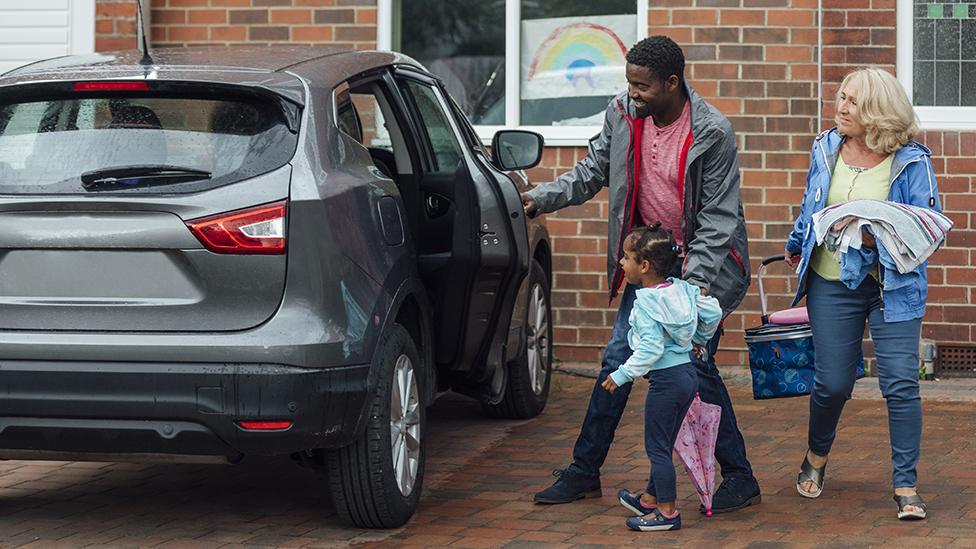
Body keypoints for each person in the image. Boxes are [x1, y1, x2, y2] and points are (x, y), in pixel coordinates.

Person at [524, 35, 760, 513]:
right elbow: (592, 171)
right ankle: (585, 471)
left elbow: (717, 222)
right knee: (618, 361)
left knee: (694, 370)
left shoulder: (712, 131)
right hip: (649, 269)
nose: (632, 93)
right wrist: (539, 198)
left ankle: (739, 476)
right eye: (629, 83)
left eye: (642, 85)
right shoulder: (623, 114)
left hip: (701, 273)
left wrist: (686, 300)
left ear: (672, 83)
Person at [784, 67, 939, 520]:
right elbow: (811, 205)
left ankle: (905, 483)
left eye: (852, 101)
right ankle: (816, 455)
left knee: (901, 384)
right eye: (841, 97)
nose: (841, 107)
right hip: (831, 281)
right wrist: (796, 244)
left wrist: (878, 236)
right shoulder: (826, 147)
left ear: (877, 109)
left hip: (894, 285)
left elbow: (928, 226)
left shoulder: (912, 160)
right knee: (832, 382)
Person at [605, 224, 721, 532]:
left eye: (626, 258)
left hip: (667, 382)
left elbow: (651, 348)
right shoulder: (681, 289)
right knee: (666, 441)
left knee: (657, 447)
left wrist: (621, 374)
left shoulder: (644, 302)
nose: (621, 263)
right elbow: (712, 311)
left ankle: (667, 512)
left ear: (644, 266)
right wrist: (699, 338)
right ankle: (648, 499)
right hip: (686, 375)